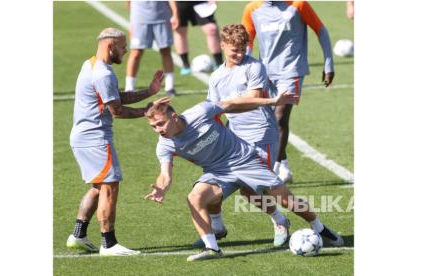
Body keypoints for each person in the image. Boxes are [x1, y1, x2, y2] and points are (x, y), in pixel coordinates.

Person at [144, 94, 344, 261]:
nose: (158, 130)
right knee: (195, 197)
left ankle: (320, 227)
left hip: (245, 160)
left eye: (160, 124)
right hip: (217, 172)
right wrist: (161, 188)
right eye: (153, 127)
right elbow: (165, 174)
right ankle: (212, 248)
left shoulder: (201, 112)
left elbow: (231, 104)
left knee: (285, 200)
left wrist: (271, 101)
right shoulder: (165, 144)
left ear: (174, 117)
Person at [67, 28, 165, 256]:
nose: (126, 50)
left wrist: (149, 91)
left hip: (82, 137)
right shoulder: (103, 73)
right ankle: (108, 244)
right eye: (122, 46)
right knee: (110, 186)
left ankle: (78, 235)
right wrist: (148, 110)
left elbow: (115, 97)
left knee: (98, 186)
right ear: (111, 46)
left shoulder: (90, 64)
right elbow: (118, 111)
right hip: (95, 139)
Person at [197, 23, 287, 248]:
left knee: (250, 189)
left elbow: (252, 99)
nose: (239, 54)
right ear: (223, 45)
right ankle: (217, 227)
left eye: (243, 49)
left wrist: (224, 106)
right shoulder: (216, 76)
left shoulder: (254, 67)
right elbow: (213, 110)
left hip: (261, 134)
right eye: (234, 50)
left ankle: (280, 220)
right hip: (234, 139)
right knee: (210, 187)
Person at [242, 1, 335, 183]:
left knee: (280, 118)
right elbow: (247, 40)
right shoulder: (252, 9)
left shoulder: (298, 5)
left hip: (292, 70)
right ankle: (283, 163)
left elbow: (321, 30)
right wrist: (243, 70)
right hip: (265, 72)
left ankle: (273, 170)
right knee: (267, 122)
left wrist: (328, 64)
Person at [125, 1, 179, 97]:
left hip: (162, 17)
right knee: (136, 52)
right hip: (140, 18)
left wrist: (175, 14)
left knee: (165, 50)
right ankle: (129, 87)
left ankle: (170, 87)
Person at [174, 1, 223, 75]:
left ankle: (219, 63)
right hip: (180, 3)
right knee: (180, 31)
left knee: (212, 29)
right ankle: (186, 65)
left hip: (200, 2)